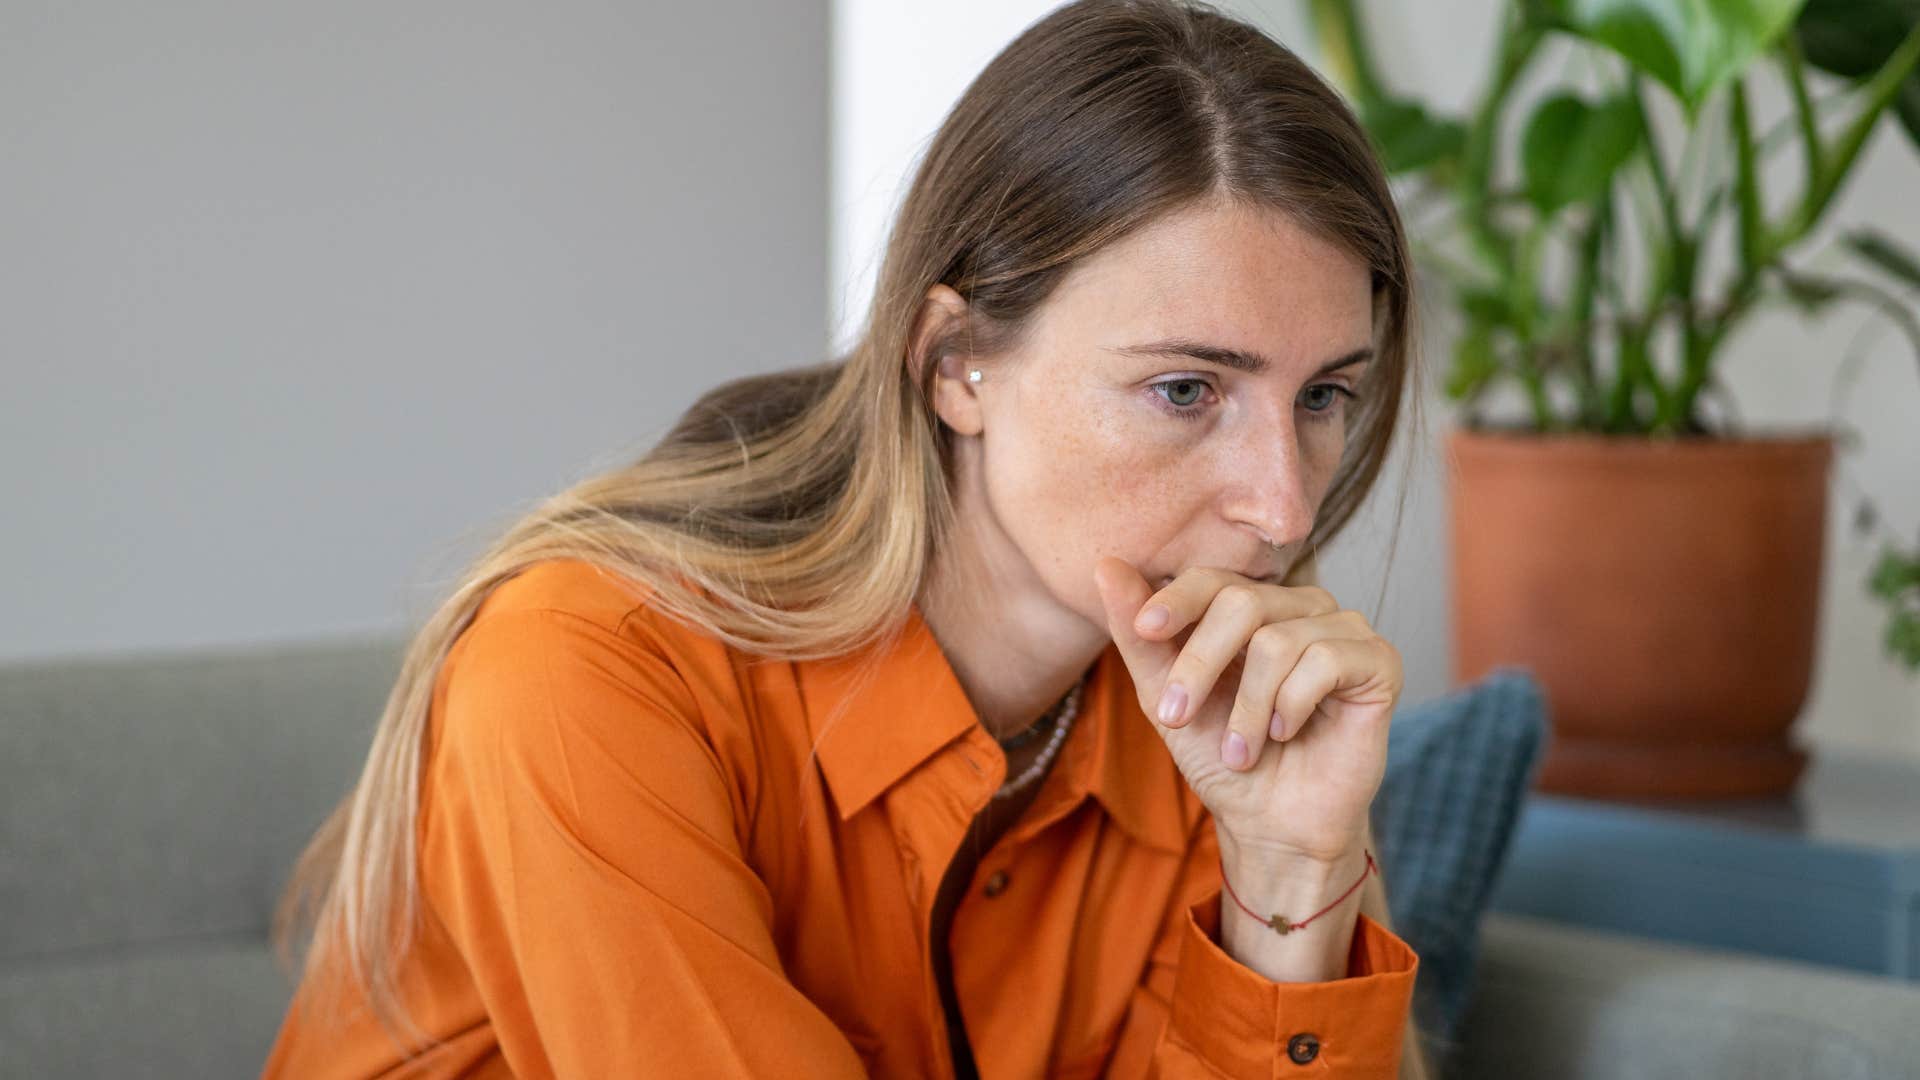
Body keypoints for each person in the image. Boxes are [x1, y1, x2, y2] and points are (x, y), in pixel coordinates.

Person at [262, 0, 1435, 1075]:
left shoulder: (1210, 731)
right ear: (957, 362)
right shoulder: (586, 666)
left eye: (1324, 398)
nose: (1283, 508)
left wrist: (1290, 877)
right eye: (1186, 391)